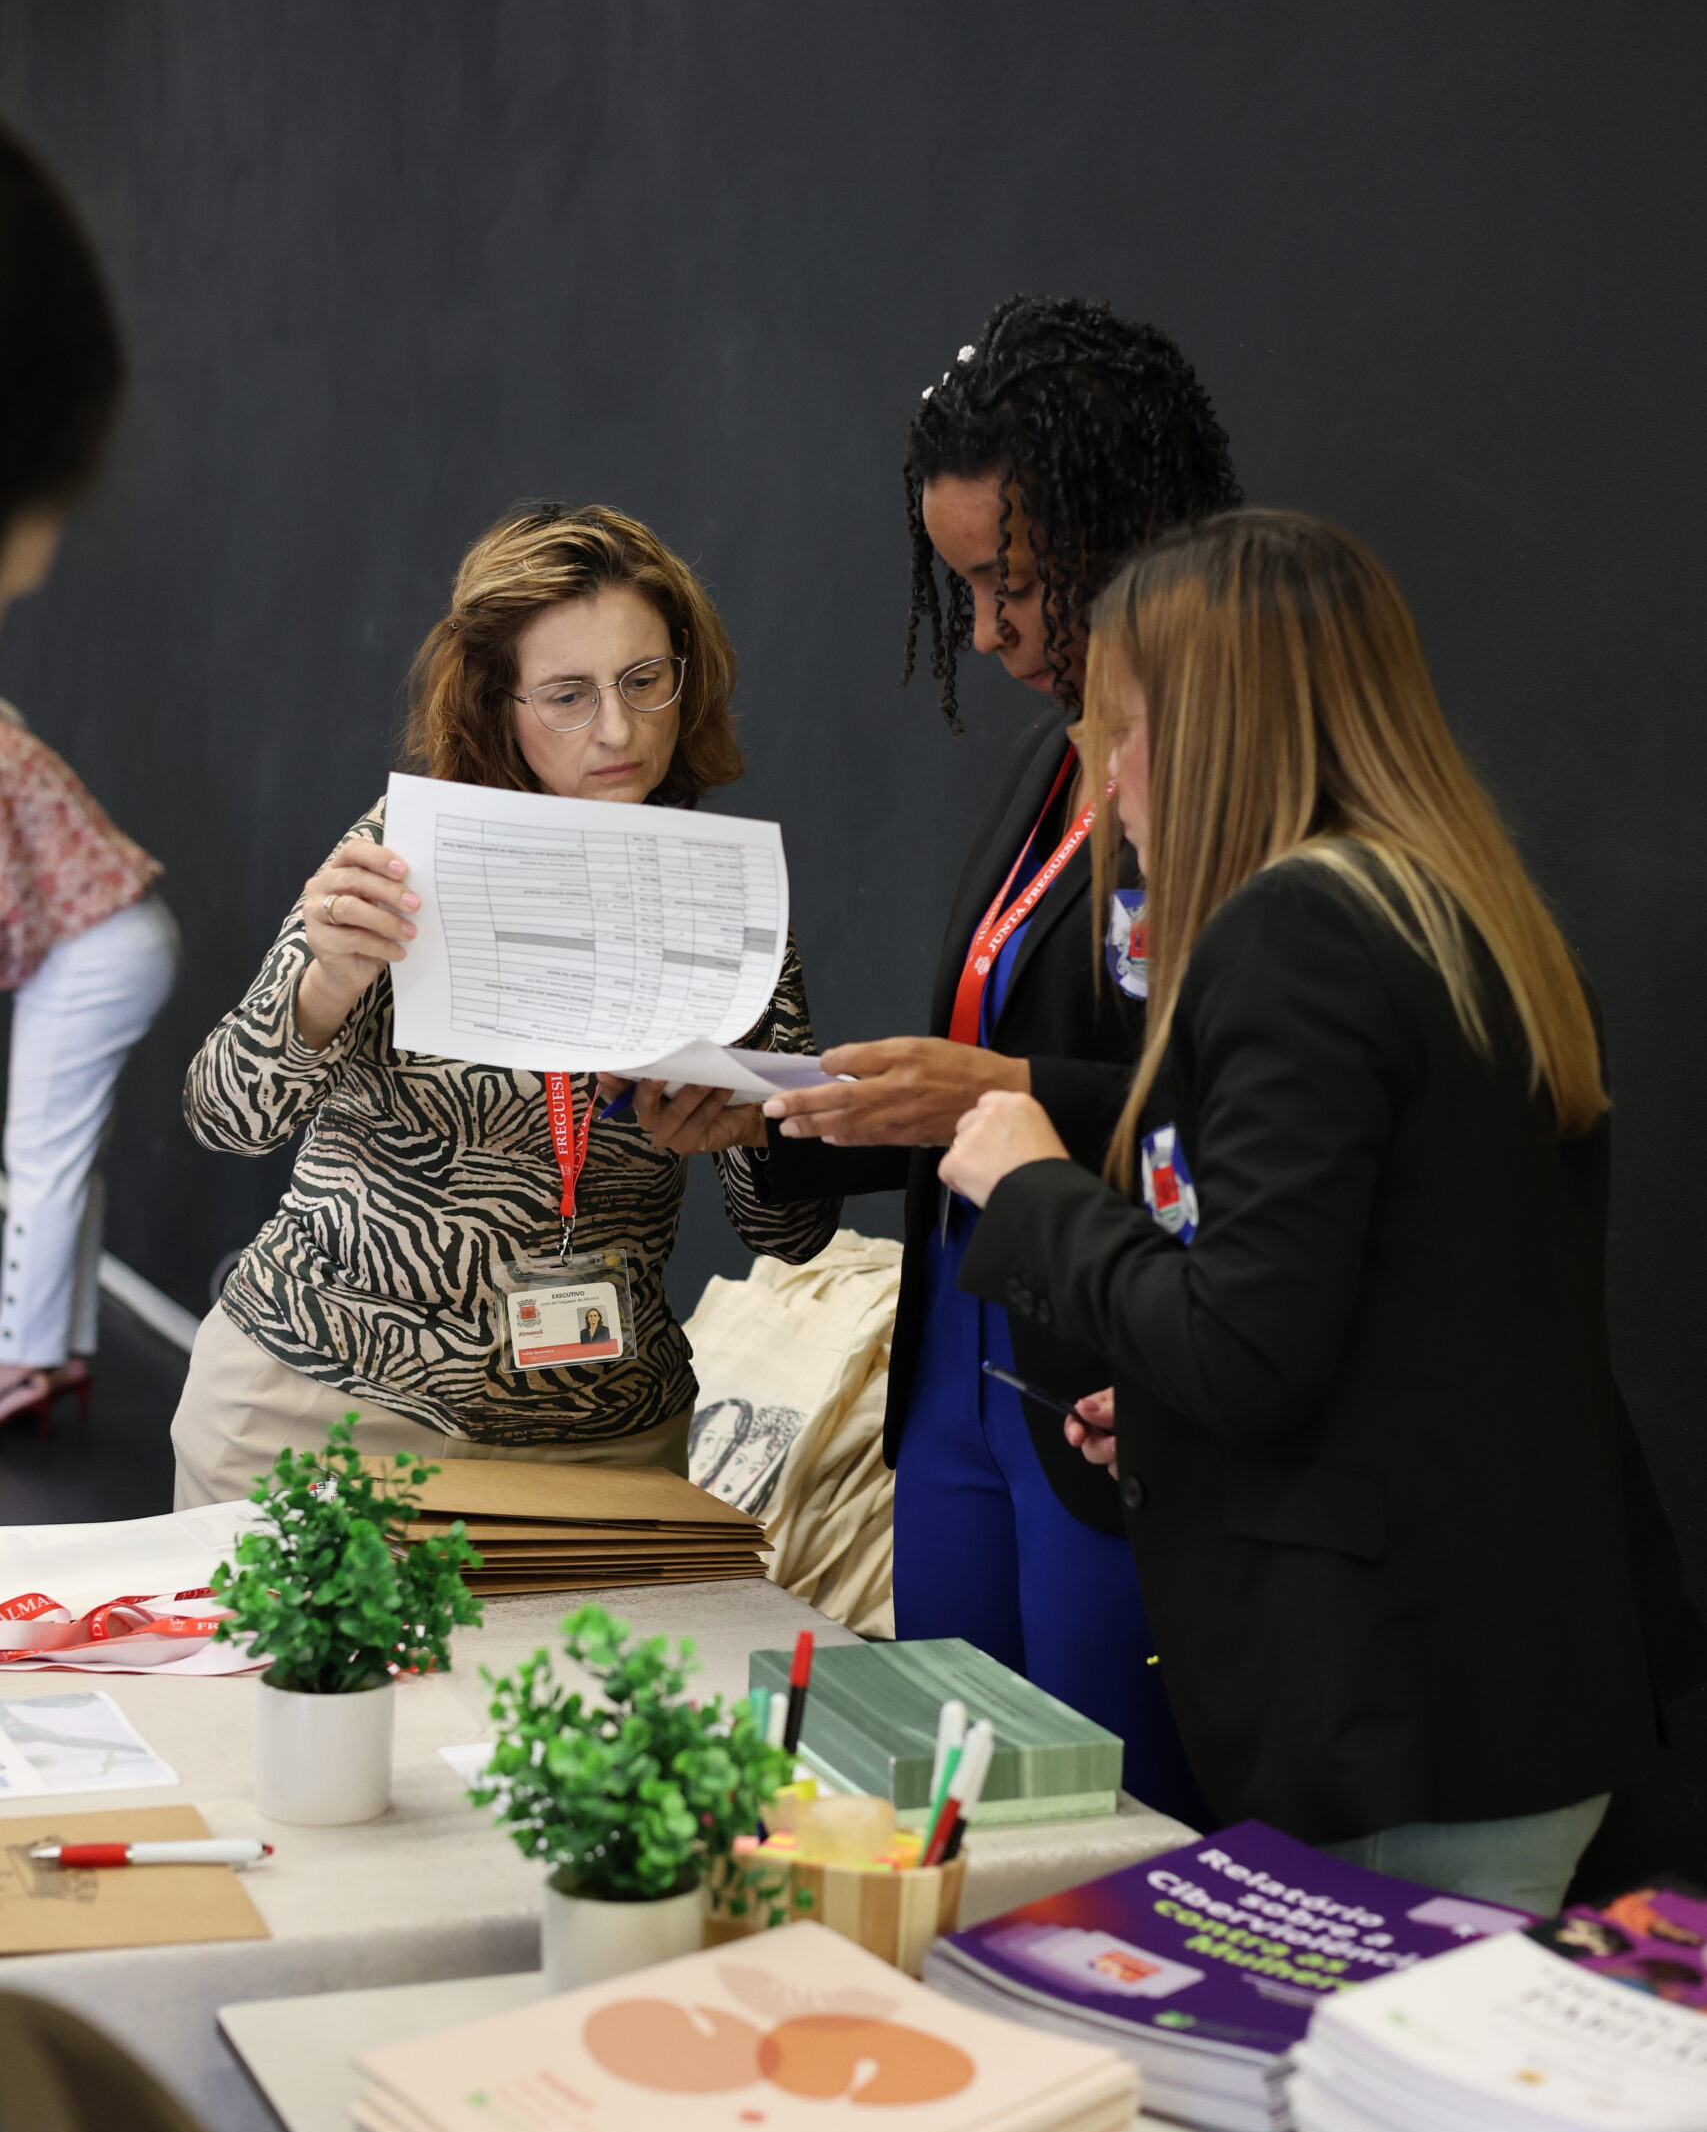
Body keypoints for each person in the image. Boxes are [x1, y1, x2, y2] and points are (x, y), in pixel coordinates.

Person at [941, 508, 1704, 1913]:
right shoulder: (1455, 912)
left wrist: (1032, 1184)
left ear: (1218, 728)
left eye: (1124, 730)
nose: (1105, 776)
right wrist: (1166, 1412)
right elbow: (1395, 1322)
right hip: (1517, 1684)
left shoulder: (1290, 933)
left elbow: (1247, 1348)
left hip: (1398, 1712)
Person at [748, 297, 1239, 1817]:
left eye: (1010, 585)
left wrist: (1001, 1095)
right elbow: (987, 1074)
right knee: (943, 1831)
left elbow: (1235, 1107)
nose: (984, 632)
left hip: (1105, 1387)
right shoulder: (1054, 761)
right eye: (962, 586)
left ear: (1126, 534)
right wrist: (787, 1113)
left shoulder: (1232, 772)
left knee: (1107, 1846)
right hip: (958, 1380)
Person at [171, 503, 838, 1504]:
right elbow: (226, 1117)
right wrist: (325, 986)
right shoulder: (407, 853)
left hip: (603, 1438)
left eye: (644, 681)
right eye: (567, 695)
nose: (616, 729)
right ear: (497, 704)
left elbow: (791, 1235)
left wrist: (752, 1126)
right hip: (324, 1408)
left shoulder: (718, 893)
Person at [0, 121, 179, 1434]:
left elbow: (12, 903)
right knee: (54, 1144)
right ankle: (49, 1344)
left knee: (44, 1145)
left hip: (104, 942)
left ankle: (25, 1353)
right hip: (110, 936)